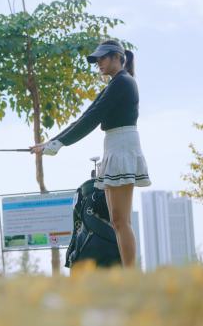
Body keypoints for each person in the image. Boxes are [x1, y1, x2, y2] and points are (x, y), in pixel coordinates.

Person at [31, 40, 151, 268]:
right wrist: (51, 143)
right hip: (115, 145)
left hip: (122, 146)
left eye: (102, 58)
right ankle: (129, 272)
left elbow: (91, 119)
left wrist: (58, 144)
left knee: (121, 221)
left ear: (117, 57)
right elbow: (85, 116)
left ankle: (131, 274)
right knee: (117, 220)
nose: (99, 63)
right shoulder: (115, 83)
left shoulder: (123, 82)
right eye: (97, 60)